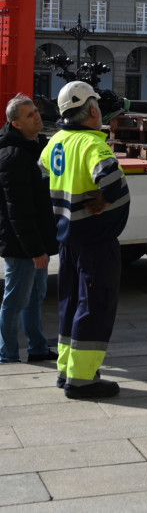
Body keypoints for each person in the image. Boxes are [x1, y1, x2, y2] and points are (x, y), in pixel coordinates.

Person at [39, 81, 130, 399]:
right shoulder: (93, 145)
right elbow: (112, 179)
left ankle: (67, 371)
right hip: (95, 240)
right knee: (95, 306)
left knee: (70, 304)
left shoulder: (57, 141)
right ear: (92, 110)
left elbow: (42, 170)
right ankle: (82, 380)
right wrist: (103, 199)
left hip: (69, 240)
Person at [0, 94, 58, 365]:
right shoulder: (13, 157)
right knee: (15, 301)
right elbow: (18, 212)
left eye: (35, 110)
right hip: (21, 245)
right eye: (29, 115)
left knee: (35, 297)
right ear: (16, 125)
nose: (37, 116)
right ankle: (8, 354)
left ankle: (37, 348)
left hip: (35, 242)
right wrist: (36, 250)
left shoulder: (36, 148)